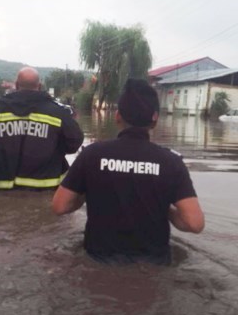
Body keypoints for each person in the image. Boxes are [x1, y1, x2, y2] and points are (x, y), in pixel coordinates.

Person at [52, 78, 205, 265]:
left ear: (117, 116)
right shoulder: (172, 162)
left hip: (98, 261)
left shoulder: (91, 155)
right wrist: (166, 209)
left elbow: (60, 206)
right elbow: (194, 223)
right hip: (153, 266)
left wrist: (87, 194)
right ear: (155, 117)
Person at [0, 67, 84, 193]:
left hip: (0, 190)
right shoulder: (58, 112)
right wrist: (54, 151)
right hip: (45, 188)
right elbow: (75, 142)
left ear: (16, 85)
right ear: (39, 86)